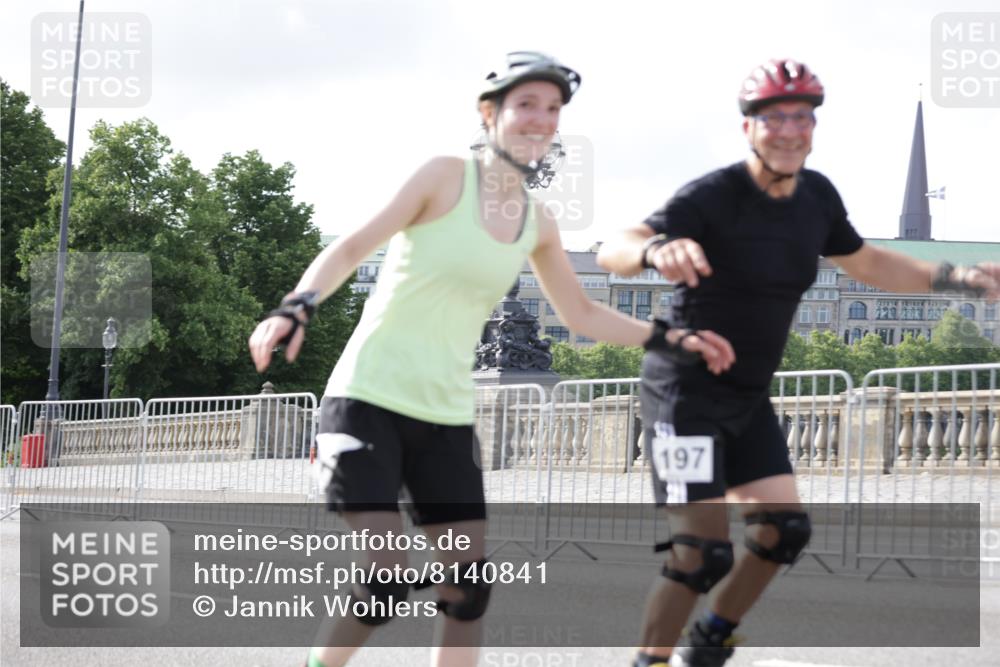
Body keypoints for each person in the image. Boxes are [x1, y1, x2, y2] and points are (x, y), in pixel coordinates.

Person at [248, 51, 736, 667]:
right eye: (526, 104)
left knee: (469, 588)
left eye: (552, 109)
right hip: (367, 399)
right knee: (385, 579)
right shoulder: (443, 177)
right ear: (489, 113)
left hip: (446, 417)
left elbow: (582, 314)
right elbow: (352, 247)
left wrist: (670, 338)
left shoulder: (538, 222)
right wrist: (296, 307)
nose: (541, 119)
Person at [596, 58, 1000, 667]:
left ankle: (708, 643)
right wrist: (655, 249)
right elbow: (614, 247)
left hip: (746, 398)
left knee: (782, 531)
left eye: (802, 118)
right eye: (774, 118)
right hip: (684, 397)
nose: (789, 130)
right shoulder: (715, 195)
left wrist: (956, 278)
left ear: (814, 127)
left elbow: (870, 263)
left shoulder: (816, 198)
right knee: (700, 553)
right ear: (749, 129)